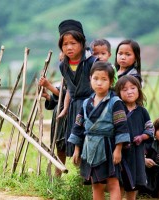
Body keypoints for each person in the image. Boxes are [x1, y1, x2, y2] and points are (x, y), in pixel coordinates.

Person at [68, 61, 130, 200]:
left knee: (113, 182)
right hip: (89, 148)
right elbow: (78, 127)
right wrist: (77, 149)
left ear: (111, 81)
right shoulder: (86, 103)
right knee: (96, 184)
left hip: (108, 146)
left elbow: (122, 127)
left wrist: (118, 149)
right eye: (96, 78)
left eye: (104, 79)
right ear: (90, 79)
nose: (99, 83)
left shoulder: (115, 102)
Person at [57, 19, 97, 157]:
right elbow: (69, 88)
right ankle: (82, 176)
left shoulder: (92, 62)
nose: (69, 47)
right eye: (65, 44)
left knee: (91, 142)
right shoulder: (63, 66)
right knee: (76, 144)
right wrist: (66, 108)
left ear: (82, 43)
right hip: (75, 108)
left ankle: (90, 177)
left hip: (91, 106)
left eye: (73, 43)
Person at [114, 75, 154, 200]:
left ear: (139, 90)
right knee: (119, 180)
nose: (129, 91)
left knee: (133, 183)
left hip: (136, 153)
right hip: (120, 152)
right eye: (124, 89)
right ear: (118, 93)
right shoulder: (118, 110)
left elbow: (150, 129)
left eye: (133, 88)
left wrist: (142, 137)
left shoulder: (142, 111)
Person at [39, 53, 66, 176]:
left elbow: (66, 94)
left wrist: (49, 85)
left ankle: (81, 180)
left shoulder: (78, 78)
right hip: (60, 118)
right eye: (60, 60)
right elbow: (58, 100)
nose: (62, 63)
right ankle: (57, 177)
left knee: (77, 148)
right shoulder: (64, 79)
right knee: (60, 147)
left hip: (71, 116)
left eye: (64, 60)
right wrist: (48, 97)